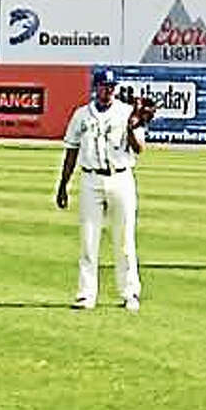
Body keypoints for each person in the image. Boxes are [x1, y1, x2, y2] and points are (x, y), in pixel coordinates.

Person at [55, 67, 148, 312]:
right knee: (88, 239)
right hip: (90, 179)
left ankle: (130, 292)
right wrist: (63, 185)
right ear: (95, 87)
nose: (107, 90)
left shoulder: (127, 112)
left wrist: (132, 127)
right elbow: (71, 150)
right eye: (103, 86)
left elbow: (139, 149)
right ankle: (86, 294)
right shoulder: (81, 115)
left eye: (111, 86)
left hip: (121, 178)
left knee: (124, 238)